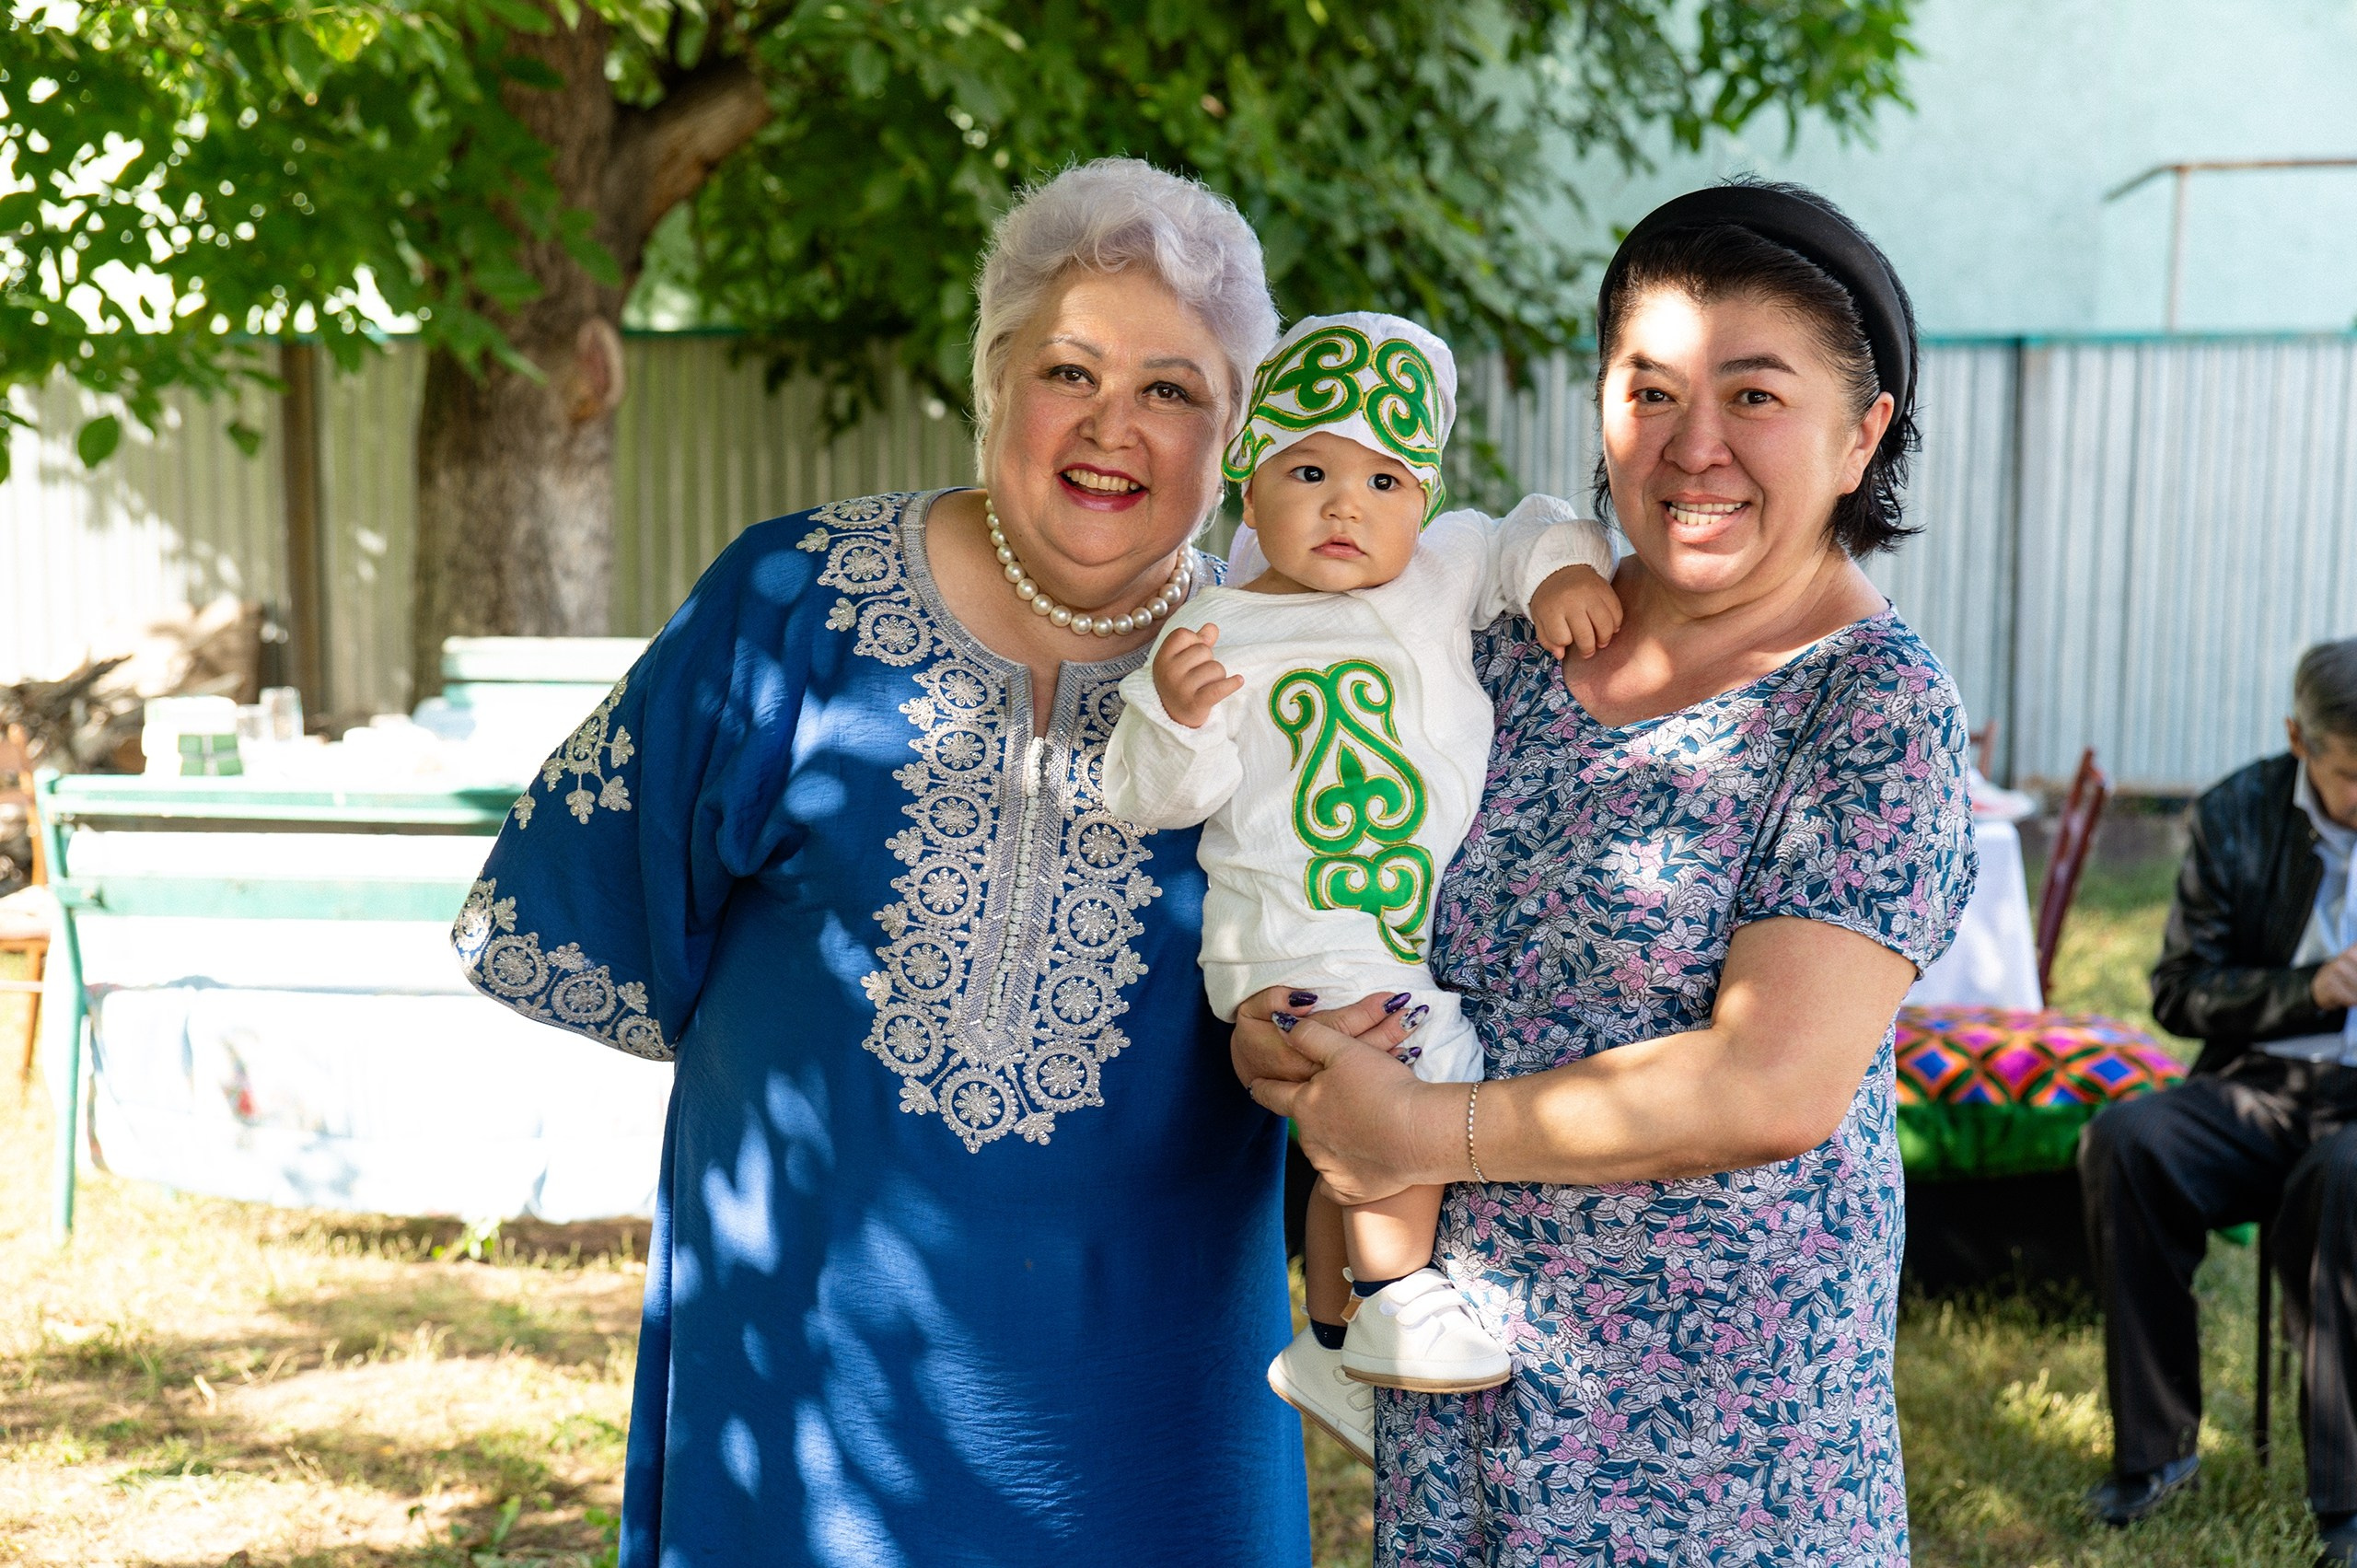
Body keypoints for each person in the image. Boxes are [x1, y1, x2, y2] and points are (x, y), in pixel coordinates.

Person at [451, 157, 1315, 1567]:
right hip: (809, 1398)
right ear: (993, 380)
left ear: (1235, 435)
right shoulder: (788, 606)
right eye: (1070, 370)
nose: (1113, 427)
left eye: (1173, 388)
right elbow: (609, 913)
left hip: (1158, 1407)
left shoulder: (1293, 686)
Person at [1234, 180, 1979, 1563]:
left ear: (1862, 433)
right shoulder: (1501, 635)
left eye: (1754, 395)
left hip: (1716, 1438)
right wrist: (1282, 1030)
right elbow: (1321, 857)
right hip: (1462, 1383)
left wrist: (1415, 1129)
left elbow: (1769, 1084)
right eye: (1651, 392)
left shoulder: (1871, 706)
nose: (1695, 448)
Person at [1102, 311, 1620, 1460]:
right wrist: (1175, 715)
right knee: (1415, 1069)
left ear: (1422, 498)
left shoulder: (1439, 569)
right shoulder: (1215, 627)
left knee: (1363, 1106)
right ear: (1248, 484)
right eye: (1310, 472)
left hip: (1390, 927)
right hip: (1292, 927)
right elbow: (1149, 795)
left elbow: (1530, 524)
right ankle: (1395, 1299)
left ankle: (1331, 1341)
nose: (1346, 505)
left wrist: (1562, 571)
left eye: (1384, 480)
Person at [2078, 636, 2357, 1551]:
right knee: (2128, 1139)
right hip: (2258, 1086)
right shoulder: (2237, 811)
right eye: (2352, 776)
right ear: (2297, 738)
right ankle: (2155, 1449)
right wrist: (2309, 988)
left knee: (2344, 1179)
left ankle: (2347, 1500)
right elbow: (2179, 990)